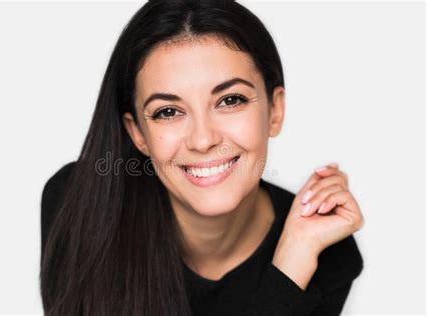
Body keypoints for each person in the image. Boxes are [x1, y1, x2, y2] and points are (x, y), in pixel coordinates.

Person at [40, 0, 365, 315]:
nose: (203, 139)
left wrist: (295, 257)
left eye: (230, 100)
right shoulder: (77, 203)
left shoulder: (324, 252)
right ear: (137, 133)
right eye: (168, 111)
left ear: (275, 111)